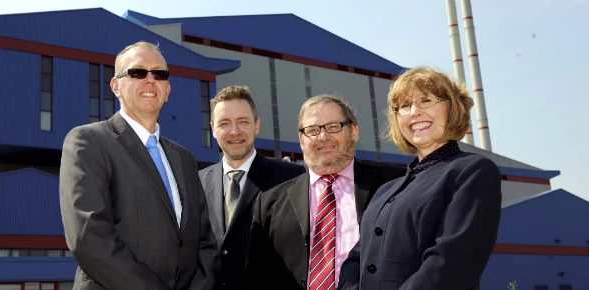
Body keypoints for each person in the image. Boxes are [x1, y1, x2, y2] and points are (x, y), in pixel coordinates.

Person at [60, 41, 215, 290]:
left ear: (168, 90)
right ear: (115, 85)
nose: (150, 79)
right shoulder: (88, 141)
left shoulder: (184, 158)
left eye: (159, 74)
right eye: (137, 72)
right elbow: (89, 238)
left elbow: (205, 240)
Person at [338, 67, 502, 290]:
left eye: (426, 100)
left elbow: (451, 264)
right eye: (404, 106)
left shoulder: (473, 171)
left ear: (452, 107)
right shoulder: (385, 191)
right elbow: (356, 260)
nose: (414, 111)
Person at [244, 95, 406, 290]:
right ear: (301, 140)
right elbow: (257, 278)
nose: (323, 137)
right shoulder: (271, 203)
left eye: (333, 126)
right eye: (312, 130)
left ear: (354, 131)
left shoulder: (395, 182)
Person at [198, 85, 305, 290]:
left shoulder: (292, 179)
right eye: (224, 123)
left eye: (243, 121)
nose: (234, 131)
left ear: (256, 125)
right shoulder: (196, 183)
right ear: (213, 129)